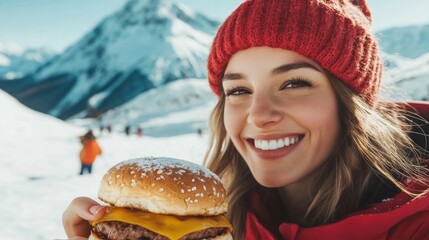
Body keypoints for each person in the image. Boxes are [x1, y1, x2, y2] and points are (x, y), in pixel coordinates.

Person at [62, 0, 429, 239]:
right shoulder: (224, 216)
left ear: (352, 104)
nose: (258, 115)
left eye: (295, 83)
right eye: (238, 90)